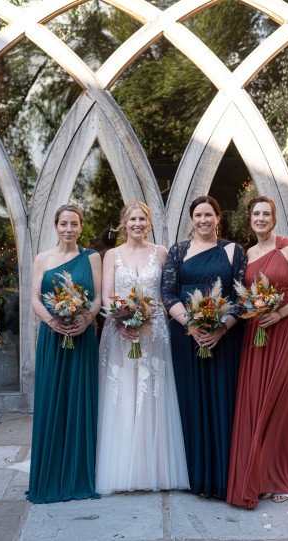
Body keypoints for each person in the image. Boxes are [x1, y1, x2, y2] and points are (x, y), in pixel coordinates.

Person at [227, 195, 288, 508]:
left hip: (286, 333)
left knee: (280, 407)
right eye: (256, 214)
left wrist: (280, 313)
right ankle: (259, 475)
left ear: (274, 219)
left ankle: (280, 478)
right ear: (250, 219)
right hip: (257, 335)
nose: (261, 218)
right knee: (256, 405)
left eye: (266, 214)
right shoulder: (248, 253)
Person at [95, 201, 189, 494]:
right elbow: (107, 296)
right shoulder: (111, 255)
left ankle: (154, 470)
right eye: (133, 219)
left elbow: (167, 292)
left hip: (155, 332)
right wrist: (123, 317)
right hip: (119, 332)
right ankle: (121, 469)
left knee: (153, 394)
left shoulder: (161, 252)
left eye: (142, 219)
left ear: (149, 223)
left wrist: (146, 317)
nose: (137, 224)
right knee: (121, 393)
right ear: (124, 223)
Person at [161, 195, 247, 500]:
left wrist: (222, 329)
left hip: (224, 339)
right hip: (187, 339)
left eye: (208, 215)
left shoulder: (233, 250)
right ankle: (196, 477)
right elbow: (168, 294)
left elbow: (242, 296)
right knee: (191, 402)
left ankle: (224, 476)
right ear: (191, 219)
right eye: (198, 215)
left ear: (217, 217)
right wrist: (191, 325)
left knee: (223, 401)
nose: (203, 220)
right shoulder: (178, 252)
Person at [27, 204, 101, 504]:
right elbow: (33, 298)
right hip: (52, 337)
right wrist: (52, 321)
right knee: (51, 400)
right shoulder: (42, 258)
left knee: (80, 401)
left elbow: (96, 298)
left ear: (81, 227)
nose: (69, 229)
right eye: (64, 224)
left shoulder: (92, 257)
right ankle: (51, 472)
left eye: (74, 224)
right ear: (55, 226)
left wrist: (86, 320)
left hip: (82, 339)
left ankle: (78, 472)